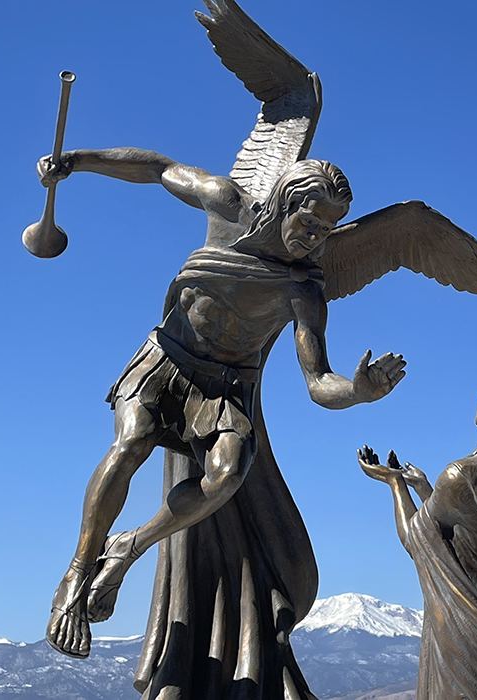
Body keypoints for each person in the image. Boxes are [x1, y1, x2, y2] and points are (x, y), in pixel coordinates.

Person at [37, 149, 406, 662]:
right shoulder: (225, 204)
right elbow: (158, 170)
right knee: (131, 442)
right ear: (285, 203)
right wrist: (77, 161)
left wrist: (358, 391)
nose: (317, 236)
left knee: (228, 474)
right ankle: (78, 569)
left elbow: (318, 381)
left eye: (328, 228)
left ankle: (128, 547)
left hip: (227, 388)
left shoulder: (304, 289)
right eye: (310, 221)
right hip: (166, 361)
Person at [358, 356, 477, 700]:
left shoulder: (459, 478)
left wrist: (394, 484)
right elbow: (463, 540)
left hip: (468, 653)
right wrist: (424, 488)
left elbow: (417, 540)